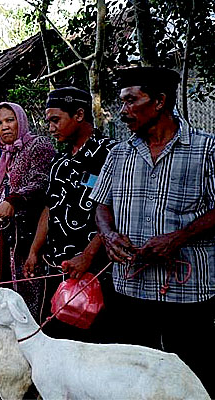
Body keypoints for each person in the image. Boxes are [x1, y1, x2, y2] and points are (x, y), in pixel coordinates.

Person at [90, 66, 215, 394]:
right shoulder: (119, 153)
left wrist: (180, 237)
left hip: (189, 291)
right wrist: (109, 234)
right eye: (121, 102)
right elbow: (101, 204)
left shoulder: (206, 149)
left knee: (193, 375)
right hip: (131, 288)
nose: (123, 111)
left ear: (159, 101)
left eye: (132, 101)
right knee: (134, 376)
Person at [23, 87, 115, 341]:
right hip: (59, 269)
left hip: (96, 272)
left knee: (94, 345)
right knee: (57, 340)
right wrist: (34, 250)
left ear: (79, 114)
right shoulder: (59, 163)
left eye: (55, 119)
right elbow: (49, 208)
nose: (50, 127)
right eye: (48, 121)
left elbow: (118, 212)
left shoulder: (111, 155)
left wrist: (88, 256)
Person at [0, 102, 55, 320]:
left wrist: (14, 200)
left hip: (27, 236)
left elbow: (41, 181)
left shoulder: (38, 146)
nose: (4, 127)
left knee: (26, 291)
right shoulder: (4, 155)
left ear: (20, 120)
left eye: (10, 120)